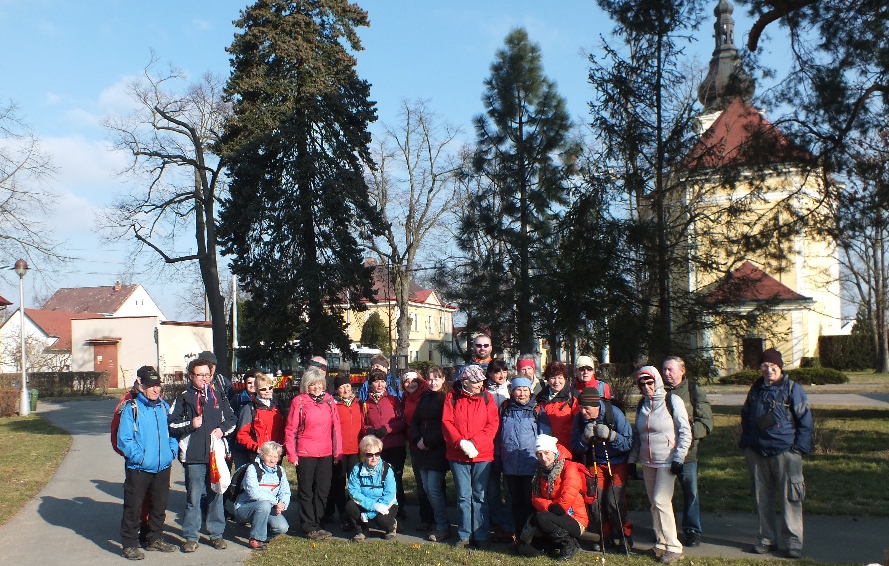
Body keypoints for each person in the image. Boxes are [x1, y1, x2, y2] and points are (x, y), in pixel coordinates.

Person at [740, 348, 813, 559]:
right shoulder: (755, 389)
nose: (769, 370)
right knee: (762, 498)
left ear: (780, 367)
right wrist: (747, 445)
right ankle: (767, 539)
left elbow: (806, 422)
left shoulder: (793, 389)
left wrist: (798, 449)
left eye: (773, 366)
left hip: (786, 454)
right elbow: (745, 417)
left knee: (791, 498)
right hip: (757, 453)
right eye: (765, 366)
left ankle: (793, 543)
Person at [168, 357, 236, 553]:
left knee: (216, 493)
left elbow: (231, 418)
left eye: (208, 375)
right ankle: (191, 536)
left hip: (215, 455)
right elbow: (171, 424)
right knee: (194, 497)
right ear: (191, 376)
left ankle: (216, 534)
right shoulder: (183, 397)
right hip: (193, 457)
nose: (205, 379)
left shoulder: (218, 395)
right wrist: (191, 424)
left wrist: (221, 430)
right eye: (200, 375)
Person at [631, 366, 691, 564]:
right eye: (642, 383)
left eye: (650, 382)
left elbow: (685, 431)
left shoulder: (672, 401)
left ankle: (674, 546)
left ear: (657, 381)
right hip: (647, 461)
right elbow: (638, 436)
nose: (647, 386)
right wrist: (632, 461)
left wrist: (679, 458)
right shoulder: (642, 405)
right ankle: (661, 542)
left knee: (661, 500)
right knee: (654, 503)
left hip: (667, 461)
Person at [117, 366, 178, 560]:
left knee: (159, 506)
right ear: (140, 385)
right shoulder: (131, 408)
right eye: (150, 385)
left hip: (162, 466)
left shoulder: (164, 407)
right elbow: (124, 439)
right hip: (139, 468)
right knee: (133, 507)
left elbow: (173, 432)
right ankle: (130, 544)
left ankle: (154, 539)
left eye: (157, 385)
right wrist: (140, 457)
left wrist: (171, 452)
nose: (155, 389)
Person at [442, 363, 499, 549]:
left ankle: (481, 534)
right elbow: (447, 423)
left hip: (482, 455)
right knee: (463, 496)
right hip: (457, 455)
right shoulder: (452, 398)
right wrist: (461, 443)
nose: (480, 383)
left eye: (481, 380)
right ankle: (464, 534)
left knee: (480, 496)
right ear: (465, 381)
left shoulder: (487, 398)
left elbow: (492, 425)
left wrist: (474, 443)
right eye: (476, 381)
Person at [570, 386, 633, 552]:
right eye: (581, 408)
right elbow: (575, 447)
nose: (583, 412)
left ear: (597, 406)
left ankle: (624, 535)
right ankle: (605, 536)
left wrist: (612, 436)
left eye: (587, 408)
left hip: (617, 462)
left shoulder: (614, 414)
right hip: (595, 462)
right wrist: (584, 438)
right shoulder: (579, 419)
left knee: (614, 502)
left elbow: (628, 443)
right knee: (596, 503)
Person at [284, 366, 343, 540]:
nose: (316, 387)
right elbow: (290, 430)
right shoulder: (299, 402)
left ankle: (317, 521)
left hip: (325, 453)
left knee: (323, 490)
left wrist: (337, 452)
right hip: (305, 452)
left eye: (319, 383)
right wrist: (292, 454)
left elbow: (336, 429)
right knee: (306, 490)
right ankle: (308, 526)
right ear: (306, 385)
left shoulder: (330, 401)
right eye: (312, 384)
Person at [662, 355, 714, 547]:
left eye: (671, 369)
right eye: (665, 370)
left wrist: (689, 437)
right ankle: (667, 531)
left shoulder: (693, 391)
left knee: (690, 494)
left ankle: (692, 530)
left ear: (682, 371)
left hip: (687, 455)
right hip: (663, 454)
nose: (667, 374)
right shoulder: (658, 391)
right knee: (665, 495)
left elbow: (706, 422)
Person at [518, 433, 588, 561]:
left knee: (542, 517)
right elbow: (535, 498)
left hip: (573, 517)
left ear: (553, 451)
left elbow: (569, 494)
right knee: (525, 549)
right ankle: (550, 544)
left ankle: (569, 544)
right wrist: (549, 506)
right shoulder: (539, 471)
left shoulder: (569, 467)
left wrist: (553, 507)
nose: (543, 458)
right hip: (551, 514)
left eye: (546, 453)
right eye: (539, 454)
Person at [499, 376, 550, 544]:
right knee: (515, 501)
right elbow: (497, 435)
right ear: (512, 391)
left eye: (525, 390)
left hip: (531, 465)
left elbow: (545, 436)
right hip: (510, 465)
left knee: (530, 501)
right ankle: (518, 533)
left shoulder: (537, 409)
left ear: (530, 391)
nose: (521, 394)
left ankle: (531, 535)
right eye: (518, 390)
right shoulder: (505, 408)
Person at [410, 365, 452, 542]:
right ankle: (437, 521)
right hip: (422, 450)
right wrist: (417, 438)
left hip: (437, 450)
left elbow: (445, 425)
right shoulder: (425, 397)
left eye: (437, 378)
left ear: (443, 380)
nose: (433, 382)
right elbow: (415, 421)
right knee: (426, 488)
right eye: (431, 378)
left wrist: (428, 442)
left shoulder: (446, 398)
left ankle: (442, 525)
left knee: (434, 488)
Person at [361, 368, 408, 520]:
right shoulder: (366, 403)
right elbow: (363, 424)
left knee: (395, 479)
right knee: (378, 481)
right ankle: (381, 511)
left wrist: (387, 429)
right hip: (377, 448)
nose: (380, 385)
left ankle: (399, 511)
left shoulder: (394, 400)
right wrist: (371, 431)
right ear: (371, 384)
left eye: (382, 381)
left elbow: (402, 421)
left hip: (394, 445)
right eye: (376, 381)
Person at [232, 441, 291, 550]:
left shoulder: (280, 471)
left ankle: (262, 533)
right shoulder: (252, 469)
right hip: (244, 508)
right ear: (263, 455)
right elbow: (254, 493)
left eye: (275, 456)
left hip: (268, 507)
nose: (272, 459)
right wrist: (275, 501)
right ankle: (256, 538)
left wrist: (282, 503)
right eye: (269, 456)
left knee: (282, 528)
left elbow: (285, 491)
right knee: (264, 505)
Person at [326, 371, 363, 531]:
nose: (346, 390)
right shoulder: (332, 404)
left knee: (355, 483)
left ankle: (353, 513)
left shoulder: (358, 403)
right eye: (342, 387)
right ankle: (341, 513)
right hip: (339, 451)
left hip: (355, 450)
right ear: (336, 390)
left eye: (348, 386)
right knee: (339, 483)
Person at [346, 435, 399, 541]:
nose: (374, 458)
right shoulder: (357, 469)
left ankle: (391, 526)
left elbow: (391, 493)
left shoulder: (387, 469)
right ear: (364, 455)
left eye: (377, 454)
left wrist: (370, 514)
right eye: (370, 455)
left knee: (381, 519)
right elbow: (353, 492)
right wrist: (373, 505)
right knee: (350, 505)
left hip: (386, 504)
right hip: (367, 503)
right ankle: (362, 530)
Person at [401, 369, 434, 531]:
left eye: (413, 380)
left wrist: (425, 439)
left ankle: (438, 519)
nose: (410, 384)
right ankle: (426, 518)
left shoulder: (427, 394)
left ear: (420, 381)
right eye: (406, 381)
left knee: (432, 485)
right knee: (421, 484)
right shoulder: (406, 398)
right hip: (415, 446)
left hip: (430, 445)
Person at [485, 359, 512, 541]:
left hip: (508, 443)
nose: (501, 375)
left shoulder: (512, 389)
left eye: (504, 371)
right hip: (489, 443)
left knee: (510, 488)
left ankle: (509, 523)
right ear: (489, 374)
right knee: (492, 488)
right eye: (497, 372)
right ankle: (496, 521)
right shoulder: (483, 391)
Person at [235, 372, 286, 470]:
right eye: (263, 389)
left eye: (270, 388)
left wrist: (283, 446)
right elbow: (241, 435)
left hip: (276, 453)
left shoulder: (278, 406)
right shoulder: (249, 408)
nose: (267, 391)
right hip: (258, 455)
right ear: (257, 390)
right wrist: (256, 447)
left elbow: (284, 428)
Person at [537, 361, 579, 450]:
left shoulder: (573, 396)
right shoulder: (540, 398)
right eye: (553, 378)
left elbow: (579, 423)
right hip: (547, 451)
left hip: (569, 449)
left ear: (565, 379)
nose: (556, 382)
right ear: (547, 379)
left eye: (560, 378)